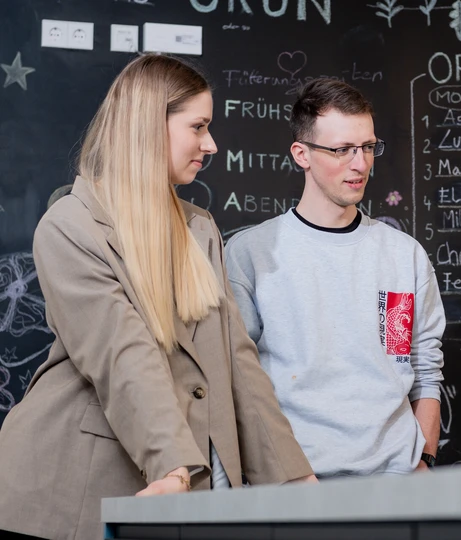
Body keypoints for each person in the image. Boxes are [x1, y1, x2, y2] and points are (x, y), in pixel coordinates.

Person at [0, 54, 314, 540]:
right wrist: (172, 466)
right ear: (148, 125)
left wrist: (295, 480)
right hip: (76, 489)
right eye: (198, 126)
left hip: (186, 480)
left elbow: (237, 361)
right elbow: (121, 352)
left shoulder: (200, 228)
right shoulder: (69, 226)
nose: (211, 144)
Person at [224, 78, 445, 477]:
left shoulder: (403, 256)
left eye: (368, 147)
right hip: (297, 483)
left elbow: (422, 369)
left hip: (396, 486)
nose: (360, 164)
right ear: (302, 154)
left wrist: (423, 462)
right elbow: (238, 382)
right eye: (342, 150)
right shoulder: (251, 254)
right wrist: (289, 478)